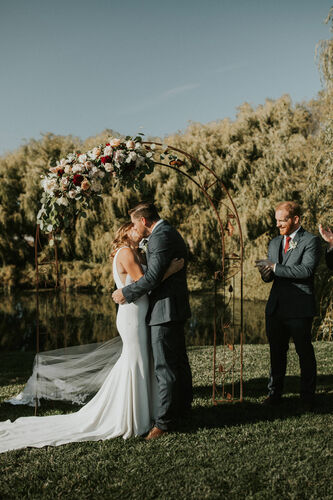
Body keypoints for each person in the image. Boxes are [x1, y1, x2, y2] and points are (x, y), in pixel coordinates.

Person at [0, 222, 183, 453]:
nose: (140, 231)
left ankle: (144, 412)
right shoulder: (126, 252)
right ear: (125, 231)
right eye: (135, 228)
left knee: (140, 362)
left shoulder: (136, 252)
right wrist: (170, 271)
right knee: (135, 362)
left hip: (139, 313)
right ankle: (130, 417)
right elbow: (146, 284)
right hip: (133, 316)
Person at [112, 202, 193, 440]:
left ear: (144, 221)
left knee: (165, 366)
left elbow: (153, 278)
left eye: (136, 222)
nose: (135, 228)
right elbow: (154, 276)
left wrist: (126, 293)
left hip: (164, 309)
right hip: (165, 309)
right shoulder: (167, 232)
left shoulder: (159, 237)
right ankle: (179, 410)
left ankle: (164, 423)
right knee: (176, 362)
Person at [255, 201, 321, 409]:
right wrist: (266, 272)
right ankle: (274, 394)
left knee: (304, 352)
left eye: (282, 220)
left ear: (295, 219)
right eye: (276, 221)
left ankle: (307, 396)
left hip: (299, 307)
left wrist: (275, 267)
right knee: (276, 352)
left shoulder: (311, 241)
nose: (278, 225)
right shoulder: (274, 243)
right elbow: (271, 277)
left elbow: (305, 271)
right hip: (276, 307)